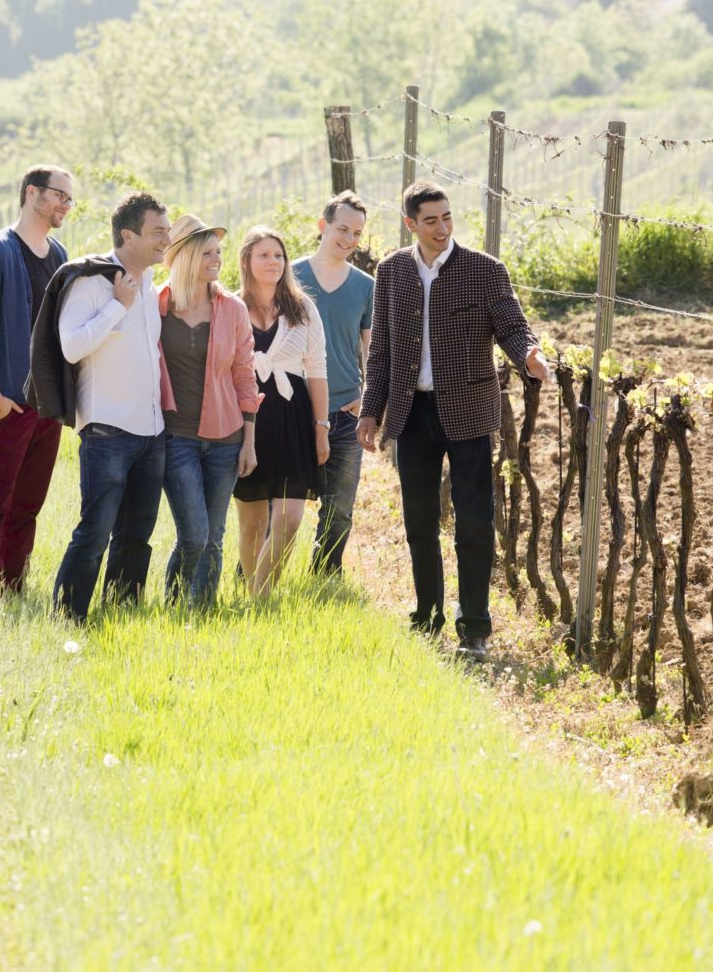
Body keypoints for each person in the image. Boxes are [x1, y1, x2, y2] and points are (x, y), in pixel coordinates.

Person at [358, 181, 549, 659]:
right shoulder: (392, 272)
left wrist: (529, 354)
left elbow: (511, 324)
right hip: (411, 412)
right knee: (419, 523)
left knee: (474, 523)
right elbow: (381, 350)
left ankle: (475, 628)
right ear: (410, 224)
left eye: (446, 217)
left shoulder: (485, 270)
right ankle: (427, 617)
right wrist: (370, 410)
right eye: (431, 220)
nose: (442, 228)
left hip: (468, 413)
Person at [49, 192, 171, 622]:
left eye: (167, 230)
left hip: (151, 432)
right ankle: (67, 619)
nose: (166, 239)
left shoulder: (152, 284)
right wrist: (118, 306)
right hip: (107, 431)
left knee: (137, 534)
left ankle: (121, 614)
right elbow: (71, 346)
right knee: (95, 532)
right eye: (158, 232)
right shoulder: (91, 281)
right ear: (128, 235)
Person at [0, 164, 72, 595]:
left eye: (69, 199)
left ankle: (13, 588)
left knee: (28, 505)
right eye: (59, 195)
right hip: (8, 404)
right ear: (31, 193)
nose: (66, 205)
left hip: (47, 406)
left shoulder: (59, 255)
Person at [156, 215, 261, 606]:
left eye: (218, 252)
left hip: (226, 438)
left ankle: (201, 611)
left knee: (214, 536)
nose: (217, 259)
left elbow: (245, 376)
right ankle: (174, 604)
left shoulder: (232, 309)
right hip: (175, 436)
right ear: (184, 257)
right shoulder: (154, 305)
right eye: (207, 253)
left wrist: (248, 442)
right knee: (194, 535)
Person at [233, 227, 329, 597]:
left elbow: (317, 370)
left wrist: (321, 427)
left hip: (293, 417)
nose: (273, 261)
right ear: (246, 261)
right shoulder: (231, 307)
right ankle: (255, 601)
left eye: (279, 255)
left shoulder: (302, 308)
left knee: (289, 519)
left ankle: (261, 593)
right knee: (252, 522)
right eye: (264, 255)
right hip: (247, 420)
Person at [292, 191, 372, 577]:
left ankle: (325, 577)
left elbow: (374, 350)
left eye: (357, 233)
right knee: (277, 504)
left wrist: (368, 398)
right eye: (342, 229)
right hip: (292, 409)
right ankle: (257, 578)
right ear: (323, 226)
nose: (349, 239)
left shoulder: (366, 286)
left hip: (344, 412)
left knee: (339, 509)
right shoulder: (289, 276)